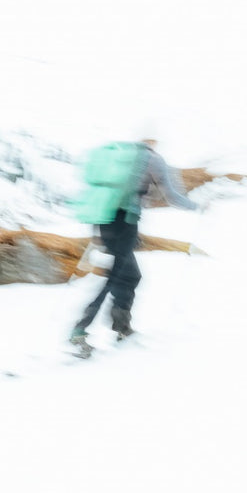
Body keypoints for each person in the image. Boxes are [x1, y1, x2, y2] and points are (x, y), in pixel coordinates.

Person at [69, 136, 202, 355]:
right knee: (116, 275)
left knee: (130, 275)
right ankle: (80, 329)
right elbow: (171, 194)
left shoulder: (120, 158)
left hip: (103, 220)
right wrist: (196, 206)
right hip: (125, 224)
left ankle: (121, 327)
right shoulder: (153, 159)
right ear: (153, 143)